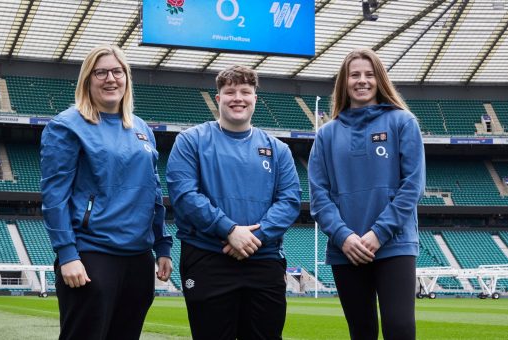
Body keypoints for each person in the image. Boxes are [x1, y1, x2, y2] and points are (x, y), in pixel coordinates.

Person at [40, 44, 173, 340]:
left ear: (127, 77)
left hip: (139, 258)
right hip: (92, 255)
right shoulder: (66, 126)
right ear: (87, 79)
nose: (110, 78)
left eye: (117, 71)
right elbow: (54, 197)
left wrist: (162, 246)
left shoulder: (141, 128)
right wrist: (67, 254)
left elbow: (153, 191)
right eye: (101, 72)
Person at [166, 65, 301, 340]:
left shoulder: (279, 149)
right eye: (229, 92)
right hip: (208, 258)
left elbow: (289, 201)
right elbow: (184, 196)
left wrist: (255, 237)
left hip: (263, 260)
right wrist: (229, 230)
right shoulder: (190, 141)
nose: (237, 97)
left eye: (245, 92)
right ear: (218, 98)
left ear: (255, 99)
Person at [308, 48, 425, 340]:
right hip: (345, 249)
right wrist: (343, 236)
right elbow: (319, 195)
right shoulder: (326, 134)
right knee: (362, 332)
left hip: (393, 245)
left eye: (369, 74)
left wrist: (378, 233)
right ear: (344, 82)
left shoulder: (402, 122)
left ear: (380, 80)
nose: (362, 81)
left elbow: (413, 185)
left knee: (400, 328)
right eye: (355, 75)